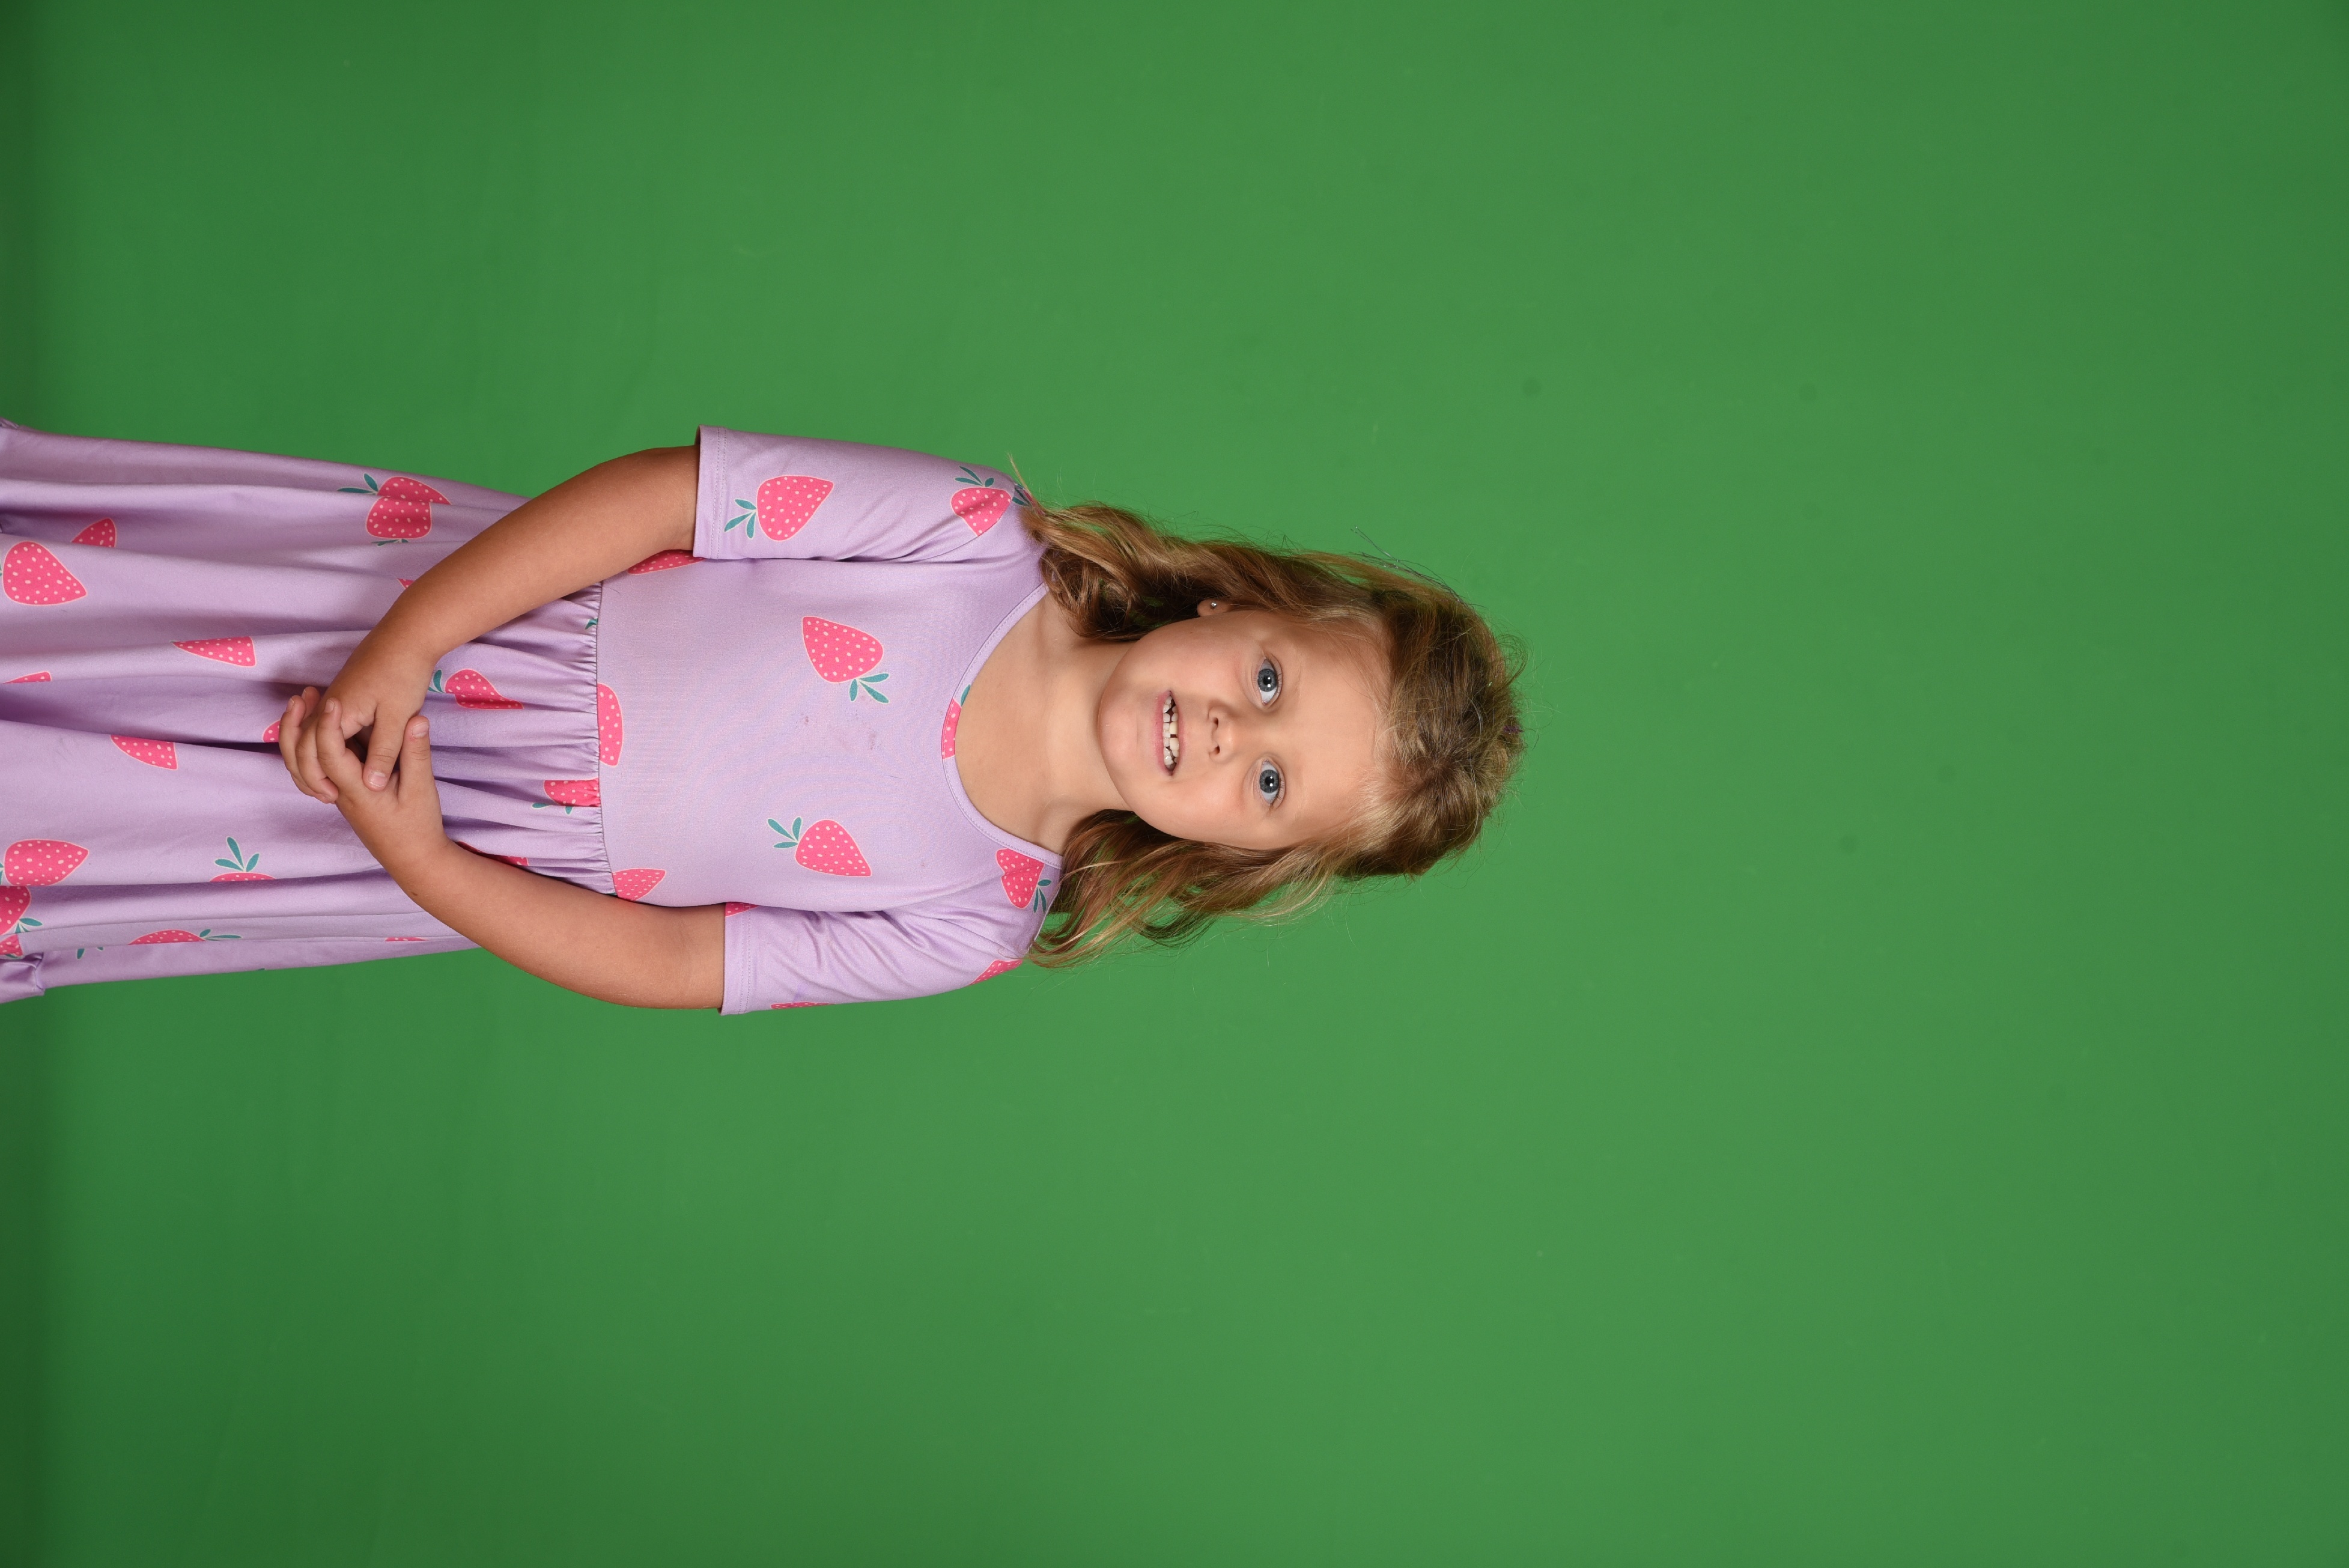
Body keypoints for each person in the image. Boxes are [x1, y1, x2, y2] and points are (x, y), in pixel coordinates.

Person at [0, 420, 1521, 1011]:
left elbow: (677, 961)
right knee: (85, 615)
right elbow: (667, 498)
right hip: (438, 611)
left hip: (422, 836)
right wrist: (406, 645)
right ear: (1239, 606)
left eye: (1271, 786)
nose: (1230, 735)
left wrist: (425, 863)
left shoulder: (964, 924)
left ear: (1243, 857)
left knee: (95, 815)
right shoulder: (973, 536)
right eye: (1269, 685)